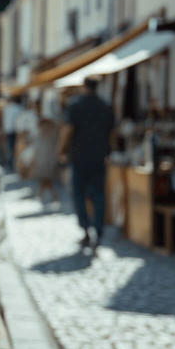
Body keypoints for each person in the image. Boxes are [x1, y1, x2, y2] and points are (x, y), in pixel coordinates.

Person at [60, 76, 115, 247]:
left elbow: (68, 129)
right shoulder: (105, 106)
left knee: (79, 194)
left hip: (79, 156)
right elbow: (112, 132)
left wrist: (62, 150)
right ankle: (98, 231)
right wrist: (108, 151)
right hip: (99, 156)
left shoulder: (76, 105)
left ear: (84, 86)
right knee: (99, 195)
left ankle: (85, 229)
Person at [2, 96, 23, 170]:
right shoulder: (18, 108)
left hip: (8, 130)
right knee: (13, 148)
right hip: (15, 130)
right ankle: (12, 165)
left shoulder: (7, 108)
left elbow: (5, 120)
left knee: (10, 148)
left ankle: (10, 164)